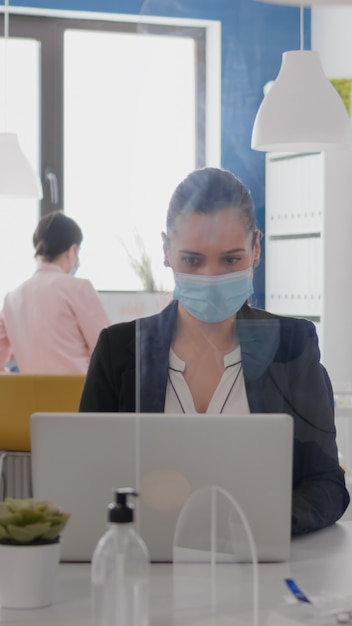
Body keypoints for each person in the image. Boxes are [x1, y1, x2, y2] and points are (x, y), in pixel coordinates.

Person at [79, 167, 350, 535]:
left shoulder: (293, 345)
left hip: (258, 566)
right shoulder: (118, 351)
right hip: (148, 564)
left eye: (229, 260)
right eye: (192, 260)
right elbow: (88, 479)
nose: (210, 276)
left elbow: (326, 485)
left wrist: (261, 525)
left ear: (256, 248)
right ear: (166, 252)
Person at [0, 210, 110, 374]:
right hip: (81, 397)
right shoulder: (78, 288)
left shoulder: (11, 299)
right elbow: (109, 353)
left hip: (33, 399)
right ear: (72, 251)